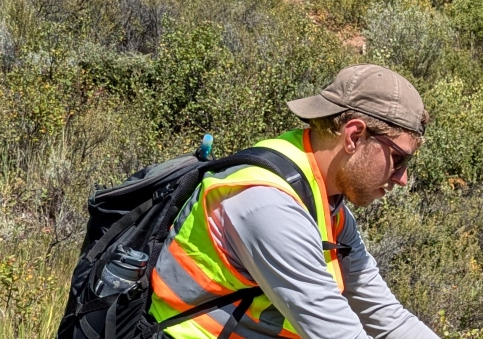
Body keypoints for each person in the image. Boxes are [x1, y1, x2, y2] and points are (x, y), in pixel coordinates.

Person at [148, 64, 439, 338]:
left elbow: (386, 316)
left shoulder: (327, 204)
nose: (402, 178)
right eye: (399, 159)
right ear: (354, 135)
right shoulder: (267, 205)